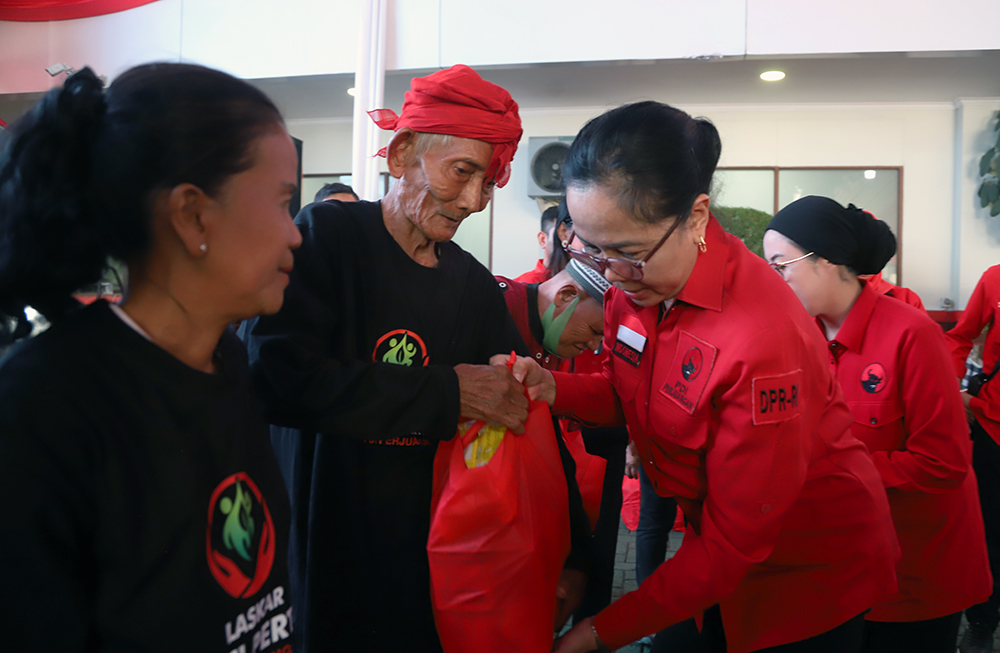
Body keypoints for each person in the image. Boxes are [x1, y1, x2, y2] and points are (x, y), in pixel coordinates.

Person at [507, 101, 900, 653]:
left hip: (803, 569)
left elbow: (736, 542)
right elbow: (635, 395)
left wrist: (599, 633)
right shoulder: (636, 288)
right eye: (592, 250)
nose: (611, 274)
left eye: (628, 252)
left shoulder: (763, 337)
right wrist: (555, 389)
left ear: (695, 217)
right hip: (710, 542)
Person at [241, 64, 591, 652]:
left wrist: (573, 551)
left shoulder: (473, 287)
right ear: (402, 153)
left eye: (488, 183)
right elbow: (276, 378)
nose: (475, 200)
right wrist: (449, 394)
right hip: (329, 547)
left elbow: (526, 415)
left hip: (431, 554)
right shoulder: (329, 238)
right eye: (463, 173)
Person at [0, 64, 300, 651]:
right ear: (192, 215)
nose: (296, 235)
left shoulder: (226, 362)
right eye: (283, 202)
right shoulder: (42, 409)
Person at [764, 195, 990, 653]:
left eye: (780, 266)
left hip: (916, 572)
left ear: (826, 260)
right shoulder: (798, 336)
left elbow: (944, 463)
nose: (775, 282)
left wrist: (834, 469)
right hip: (841, 570)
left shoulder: (911, 333)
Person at [945, 264, 1000, 653]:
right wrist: (953, 396)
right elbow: (959, 337)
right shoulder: (995, 278)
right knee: (989, 533)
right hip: (992, 429)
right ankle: (982, 622)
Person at [516, 197, 572, 283]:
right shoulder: (523, 285)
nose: (568, 239)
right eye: (562, 232)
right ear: (542, 240)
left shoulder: (589, 282)